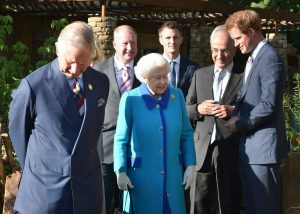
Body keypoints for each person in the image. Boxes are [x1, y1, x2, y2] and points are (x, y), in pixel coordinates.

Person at [8, 21, 109, 214]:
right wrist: (39, 168)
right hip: (46, 189)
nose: (74, 69)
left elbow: (92, 133)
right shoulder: (33, 85)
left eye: (82, 62)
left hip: (87, 188)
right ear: (57, 49)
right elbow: (18, 133)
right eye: (69, 61)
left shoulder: (100, 82)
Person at [114, 53, 196, 214]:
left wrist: (191, 165)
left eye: (165, 76)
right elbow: (121, 139)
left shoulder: (177, 95)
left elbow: (186, 134)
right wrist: (120, 171)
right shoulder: (131, 99)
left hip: (173, 175)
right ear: (144, 78)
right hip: (141, 178)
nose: (163, 82)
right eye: (157, 78)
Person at [224, 10, 289, 214]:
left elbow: (268, 104)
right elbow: (250, 97)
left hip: (263, 151)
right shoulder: (254, 58)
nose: (235, 44)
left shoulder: (270, 58)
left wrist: (238, 124)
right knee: (252, 207)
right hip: (251, 148)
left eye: (237, 38)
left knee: (265, 208)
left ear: (251, 32)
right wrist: (231, 109)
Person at [186, 25, 243, 214]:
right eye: (215, 50)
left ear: (234, 48)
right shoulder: (199, 74)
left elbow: (254, 110)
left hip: (231, 149)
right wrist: (199, 109)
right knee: (198, 203)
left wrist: (233, 110)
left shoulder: (244, 76)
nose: (220, 55)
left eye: (225, 50)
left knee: (227, 203)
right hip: (202, 150)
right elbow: (185, 110)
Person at [93, 25, 140, 213]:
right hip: (106, 148)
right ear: (114, 44)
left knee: (131, 204)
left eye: (133, 43)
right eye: (125, 43)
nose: (130, 47)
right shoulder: (98, 71)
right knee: (104, 201)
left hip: (137, 149)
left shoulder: (145, 70)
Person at [158, 21, 200, 98]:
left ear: (181, 40)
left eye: (175, 37)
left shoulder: (193, 67)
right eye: (168, 38)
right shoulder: (153, 65)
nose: (172, 41)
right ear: (161, 40)